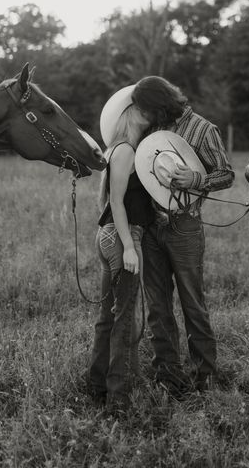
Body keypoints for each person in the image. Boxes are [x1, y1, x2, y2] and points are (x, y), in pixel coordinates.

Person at [131, 76, 235, 395]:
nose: (144, 116)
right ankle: (168, 372)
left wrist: (195, 178)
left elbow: (227, 174)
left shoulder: (203, 129)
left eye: (147, 109)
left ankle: (206, 373)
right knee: (157, 304)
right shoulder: (151, 130)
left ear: (160, 105)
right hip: (151, 226)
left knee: (192, 301)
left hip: (184, 226)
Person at [87, 92, 154, 413]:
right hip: (122, 238)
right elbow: (116, 201)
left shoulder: (120, 149)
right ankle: (118, 399)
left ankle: (97, 386)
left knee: (107, 318)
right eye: (143, 110)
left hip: (109, 234)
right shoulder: (126, 149)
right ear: (130, 114)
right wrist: (129, 246)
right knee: (124, 320)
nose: (149, 114)